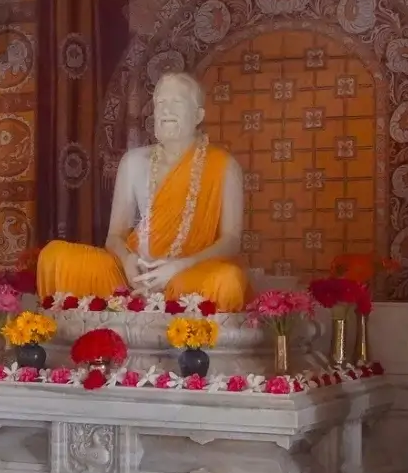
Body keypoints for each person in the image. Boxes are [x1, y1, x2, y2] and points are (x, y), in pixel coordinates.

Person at [37, 72, 251, 307]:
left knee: (227, 282)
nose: (166, 110)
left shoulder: (224, 165)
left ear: (198, 115)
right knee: (54, 256)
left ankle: (176, 311)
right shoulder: (133, 161)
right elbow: (115, 237)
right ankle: (133, 297)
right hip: (133, 275)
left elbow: (231, 241)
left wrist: (181, 265)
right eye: (160, 103)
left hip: (187, 275)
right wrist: (128, 260)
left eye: (176, 102)